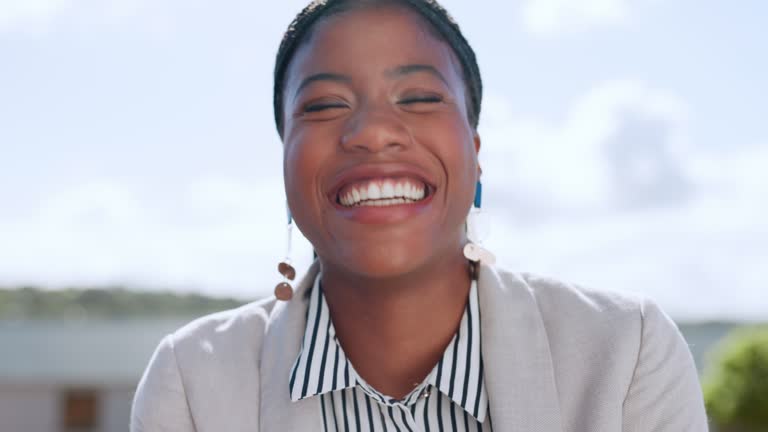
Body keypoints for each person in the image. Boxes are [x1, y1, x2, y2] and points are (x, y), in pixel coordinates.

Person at [130, 0, 709, 431]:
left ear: (475, 157)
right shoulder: (190, 380)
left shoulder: (627, 352)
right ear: (284, 167)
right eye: (326, 105)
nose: (374, 133)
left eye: (421, 98)